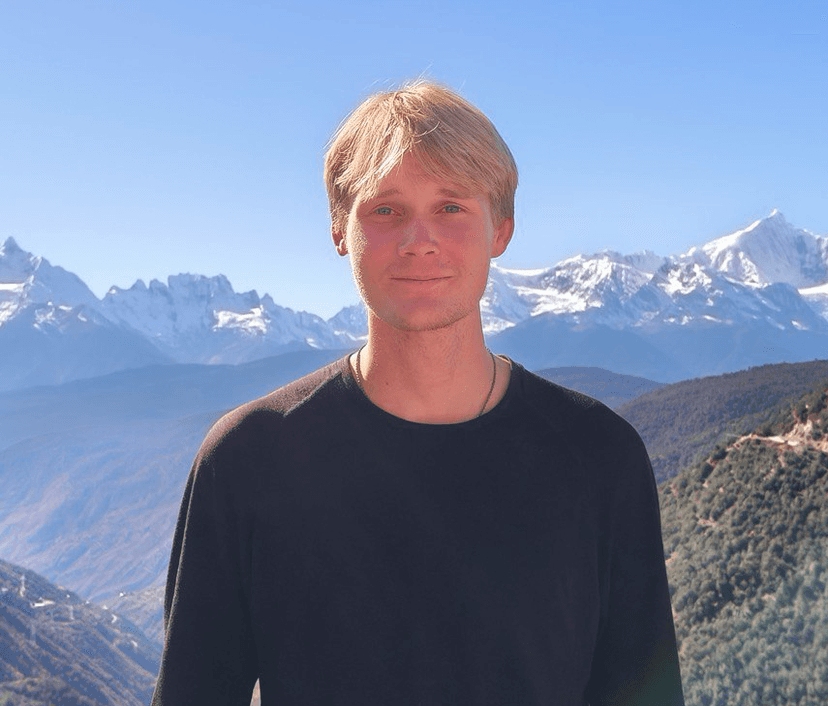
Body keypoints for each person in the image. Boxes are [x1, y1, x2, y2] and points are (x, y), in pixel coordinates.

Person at [151, 81, 684, 705]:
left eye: (452, 207)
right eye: (386, 209)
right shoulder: (248, 459)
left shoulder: (598, 457)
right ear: (339, 230)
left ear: (502, 229)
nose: (418, 239)